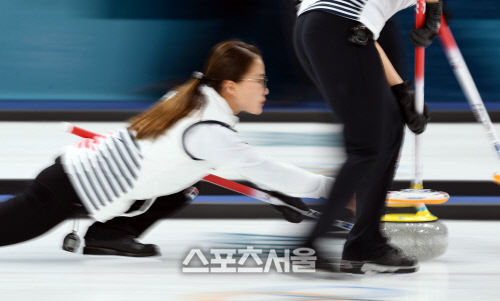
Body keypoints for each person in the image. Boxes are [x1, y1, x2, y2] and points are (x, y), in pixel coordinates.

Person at [0, 41, 334, 255]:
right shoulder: (209, 130)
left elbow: (251, 168)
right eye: (259, 80)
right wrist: (334, 189)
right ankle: (110, 232)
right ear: (230, 86)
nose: (266, 88)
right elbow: (262, 167)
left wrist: (275, 193)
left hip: (84, 180)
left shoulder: (197, 99)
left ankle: (110, 235)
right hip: (69, 186)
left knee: (185, 184)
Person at [293, 0, 440, 274]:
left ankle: (366, 244)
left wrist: (401, 91)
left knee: (390, 127)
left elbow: (364, 32)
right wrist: (435, 13)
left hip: (324, 28)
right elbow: (354, 25)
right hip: (339, 26)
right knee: (366, 145)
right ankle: (309, 245)